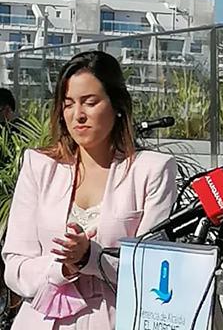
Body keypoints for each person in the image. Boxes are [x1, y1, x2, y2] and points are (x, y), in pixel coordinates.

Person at [1, 51, 177, 330]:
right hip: (38, 320)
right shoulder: (39, 165)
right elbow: (15, 266)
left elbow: (151, 268)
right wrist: (63, 267)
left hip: (112, 318)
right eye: (68, 104)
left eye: (90, 102)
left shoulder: (152, 170)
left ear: (117, 105)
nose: (78, 115)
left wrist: (89, 257)